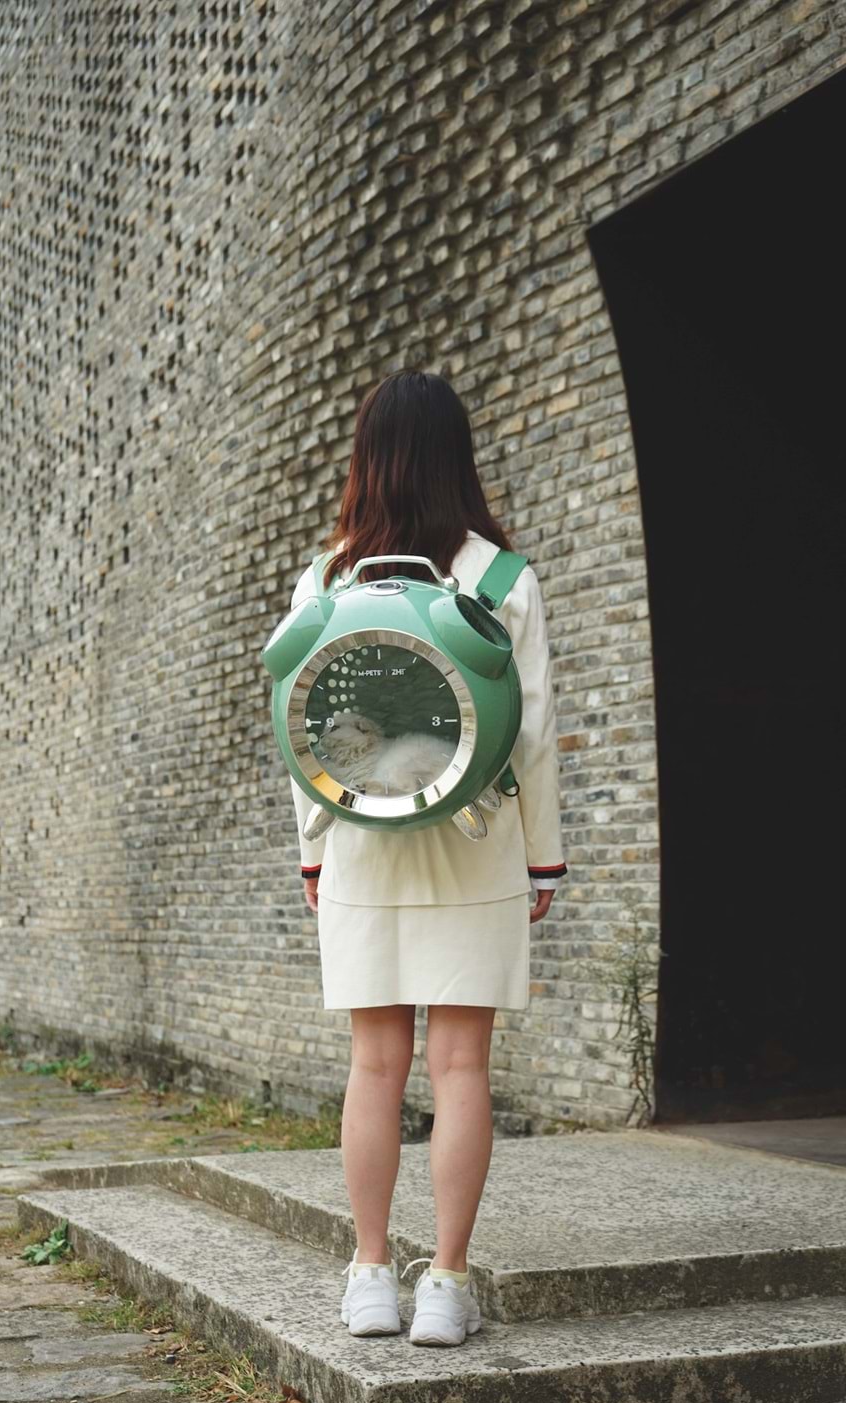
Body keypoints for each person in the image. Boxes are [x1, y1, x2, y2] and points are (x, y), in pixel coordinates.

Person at [285, 369, 569, 1346]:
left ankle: (370, 1275)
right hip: (476, 842)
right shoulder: (503, 580)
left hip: (363, 844)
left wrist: (314, 846)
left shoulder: (326, 582)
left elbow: (302, 721)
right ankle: (445, 1285)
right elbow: (532, 734)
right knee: (460, 1067)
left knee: (374, 1066)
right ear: (459, 459)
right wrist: (543, 860)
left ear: (366, 459)